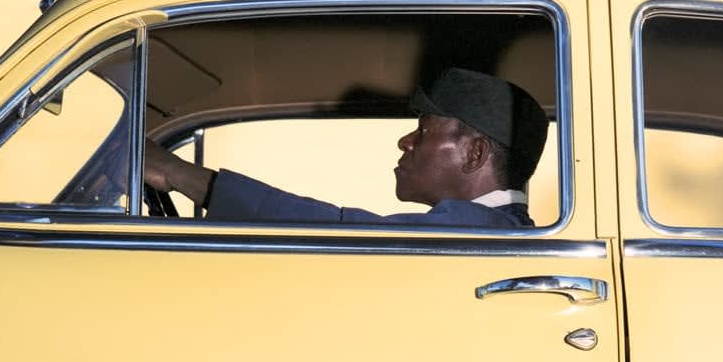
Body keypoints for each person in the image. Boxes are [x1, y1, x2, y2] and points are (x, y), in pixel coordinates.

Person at [144, 67, 549, 228]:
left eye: (424, 131)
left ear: (474, 154)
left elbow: (334, 231)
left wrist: (176, 173)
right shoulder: (497, 229)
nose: (405, 141)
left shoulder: (473, 229)